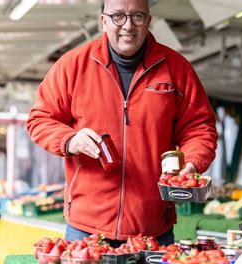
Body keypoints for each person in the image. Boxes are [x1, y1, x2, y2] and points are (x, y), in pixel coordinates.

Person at [26, 0, 217, 246]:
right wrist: (70, 139)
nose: (128, 25)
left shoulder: (177, 70)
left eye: (137, 16)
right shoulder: (72, 66)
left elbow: (199, 128)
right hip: (86, 229)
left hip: (153, 228)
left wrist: (193, 161)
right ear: (103, 21)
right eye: (118, 16)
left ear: (148, 21)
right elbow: (40, 118)